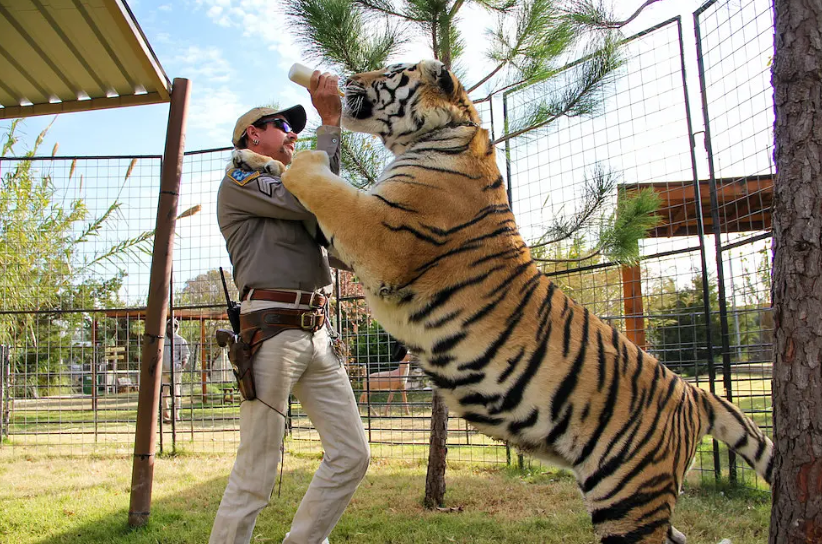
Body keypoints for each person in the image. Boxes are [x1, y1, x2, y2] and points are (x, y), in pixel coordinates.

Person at [210, 71, 370, 544]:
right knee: (256, 473)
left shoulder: (291, 189)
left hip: (318, 332)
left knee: (352, 454)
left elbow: (333, 226)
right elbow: (315, 200)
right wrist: (330, 126)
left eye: (295, 127)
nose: (292, 133)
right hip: (272, 331)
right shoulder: (242, 178)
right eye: (282, 125)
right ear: (252, 135)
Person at [162, 318, 190, 423]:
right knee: (163, 394)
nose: (171, 327)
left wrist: (182, 366)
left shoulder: (180, 340)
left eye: (174, 325)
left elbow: (185, 355)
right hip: (163, 371)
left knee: (176, 394)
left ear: (176, 328)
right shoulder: (162, 339)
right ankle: (165, 416)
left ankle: (176, 415)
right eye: (169, 325)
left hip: (176, 371)